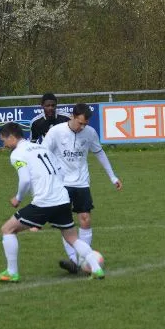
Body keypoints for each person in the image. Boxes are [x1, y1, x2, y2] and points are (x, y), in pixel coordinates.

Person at [0, 122, 105, 282]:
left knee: (7, 229)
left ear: (11, 137)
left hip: (44, 202)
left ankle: (11, 272)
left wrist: (18, 198)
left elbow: (25, 180)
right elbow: (60, 171)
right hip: (62, 198)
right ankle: (96, 269)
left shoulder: (17, 154)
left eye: (4, 140)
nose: (4, 145)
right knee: (72, 238)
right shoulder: (41, 148)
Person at [42, 103, 122, 274]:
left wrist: (113, 176)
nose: (82, 127)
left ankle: (81, 260)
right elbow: (43, 154)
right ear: (72, 116)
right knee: (66, 223)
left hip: (82, 183)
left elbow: (99, 153)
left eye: (85, 124)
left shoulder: (90, 133)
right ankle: (74, 260)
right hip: (61, 183)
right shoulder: (56, 132)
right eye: (80, 123)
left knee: (85, 219)